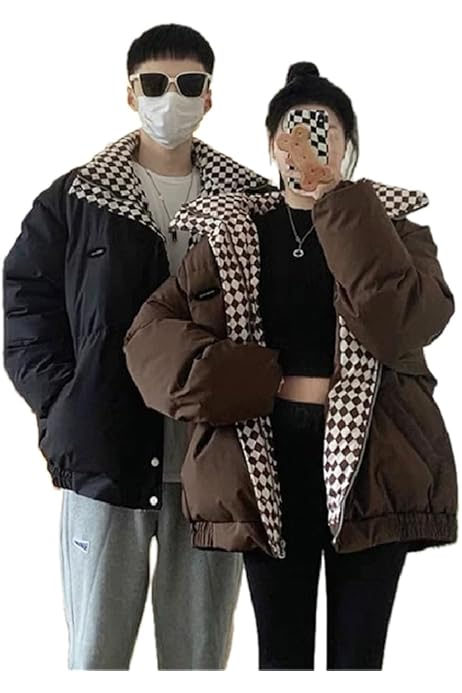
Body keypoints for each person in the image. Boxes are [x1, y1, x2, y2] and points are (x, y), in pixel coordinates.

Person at [123, 61, 458, 670]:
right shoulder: (233, 234)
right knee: (281, 659)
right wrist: (246, 380)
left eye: (324, 131)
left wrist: (339, 203)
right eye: (294, 131)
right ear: (272, 145)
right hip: (265, 463)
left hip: (374, 461)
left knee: (359, 661)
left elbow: (401, 324)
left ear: (349, 144)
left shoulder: (394, 230)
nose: (307, 146)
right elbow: (149, 337)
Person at [3, 23, 271, 670]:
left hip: (214, 462)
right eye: (154, 83)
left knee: (198, 660)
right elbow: (24, 303)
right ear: (130, 93)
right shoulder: (76, 199)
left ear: (209, 96)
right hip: (104, 454)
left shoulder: (251, 204)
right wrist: (64, 402)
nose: (170, 97)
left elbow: (286, 313)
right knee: (95, 656)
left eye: (188, 83)